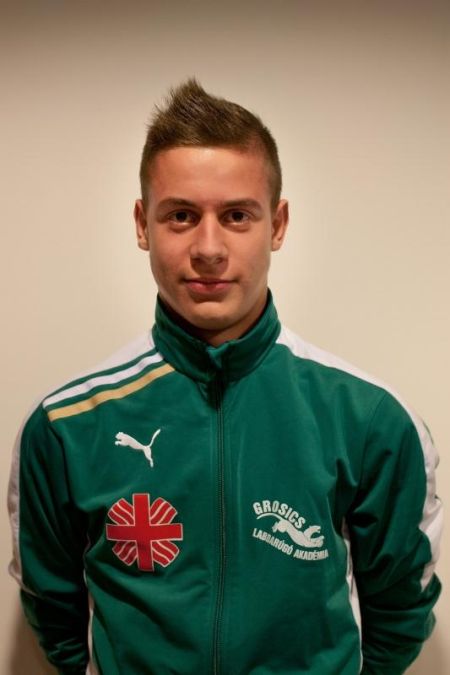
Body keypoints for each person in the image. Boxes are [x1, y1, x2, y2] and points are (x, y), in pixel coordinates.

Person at [8, 79, 442, 675]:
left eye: (237, 215)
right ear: (142, 224)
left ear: (278, 225)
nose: (208, 248)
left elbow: (399, 612)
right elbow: (53, 610)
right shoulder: (66, 426)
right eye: (181, 216)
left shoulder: (371, 421)